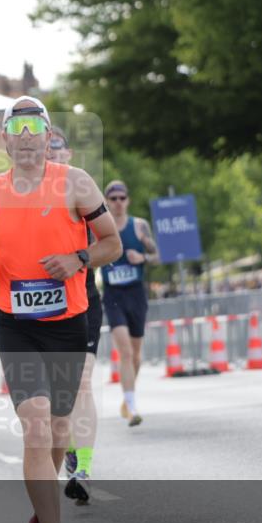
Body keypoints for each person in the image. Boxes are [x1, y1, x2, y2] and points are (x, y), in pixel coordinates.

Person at [0, 96, 121, 523]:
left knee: (58, 430)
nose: (29, 134)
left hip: (67, 324)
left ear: (48, 135)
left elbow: (110, 243)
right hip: (17, 326)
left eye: (37, 126)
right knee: (35, 429)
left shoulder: (76, 183)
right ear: (6, 139)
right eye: (19, 126)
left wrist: (79, 258)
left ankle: (42, 513)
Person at [46, 126, 99, 505]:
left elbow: (106, 241)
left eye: (57, 147)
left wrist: (80, 255)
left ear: (70, 154)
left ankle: (84, 470)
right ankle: (65, 446)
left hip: (83, 300)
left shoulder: (82, 189)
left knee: (82, 383)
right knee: (53, 398)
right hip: (39, 310)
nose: (51, 153)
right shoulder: (23, 197)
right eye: (46, 148)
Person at [100, 179, 160, 427]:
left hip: (136, 293)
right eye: (113, 199)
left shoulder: (139, 226)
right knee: (124, 351)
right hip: (113, 295)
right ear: (106, 202)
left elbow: (158, 256)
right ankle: (132, 407)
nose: (118, 203)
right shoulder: (100, 228)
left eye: (122, 198)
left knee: (136, 355)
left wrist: (142, 257)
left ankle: (128, 398)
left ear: (128, 200)